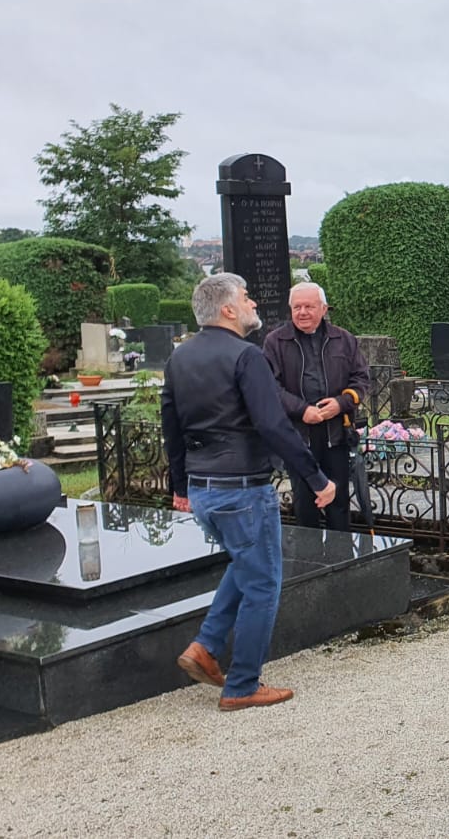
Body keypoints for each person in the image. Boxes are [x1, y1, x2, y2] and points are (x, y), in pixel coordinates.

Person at [162, 273, 335, 712]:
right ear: (227, 309)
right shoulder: (247, 355)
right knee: (263, 583)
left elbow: (171, 426)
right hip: (242, 489)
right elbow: (273, 424)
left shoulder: (179, 357)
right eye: (245, 297)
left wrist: (180, 486)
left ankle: (205, 647)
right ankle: (241, 685)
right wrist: (316, 478)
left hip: (203, 489)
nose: (253, 303)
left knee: (245, 565)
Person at [262, 282, 371, 531]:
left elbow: (361, 379)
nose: (302, 312)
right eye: (297, 307)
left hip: (336, 433)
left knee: (339, 502)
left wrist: (341, 403)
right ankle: (308, 553)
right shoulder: (275, 342)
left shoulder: (343, 339)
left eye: (309, 306)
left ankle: (339, 552)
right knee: (305, 503)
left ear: (323, 308)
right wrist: (302, 410)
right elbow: (270, 387)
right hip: (298, 435)